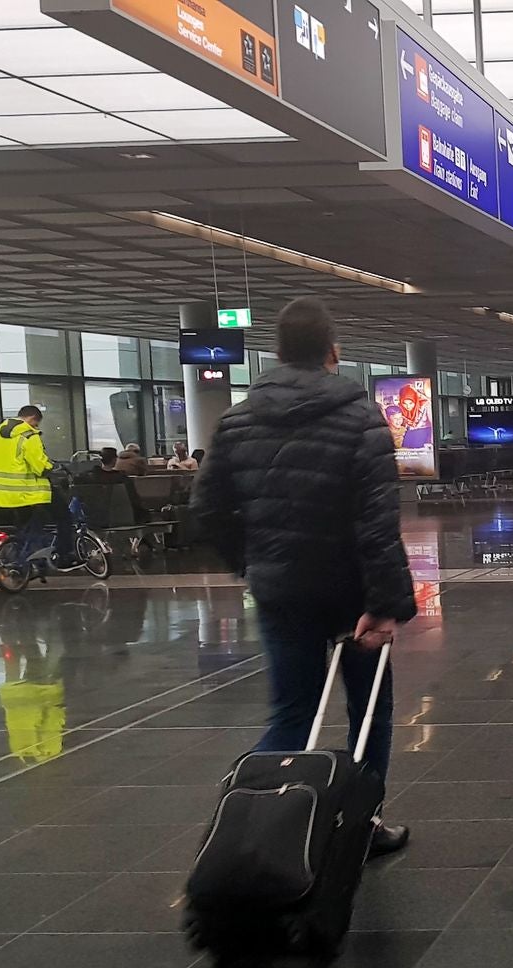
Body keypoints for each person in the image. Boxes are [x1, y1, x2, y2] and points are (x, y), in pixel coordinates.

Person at [194, 296, 416, 858]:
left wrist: (252, 562)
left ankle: (257, 827)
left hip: (281, 591)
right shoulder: (361, 418)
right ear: (332, 353)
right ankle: (361, 825)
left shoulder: (237, 418)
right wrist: (386, 601)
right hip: (352, 592)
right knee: (369, 712)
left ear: (277, 353)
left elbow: (207, 509)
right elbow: (376, 520)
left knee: (291, 710)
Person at [0, 403, 75, 566]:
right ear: (33, 418)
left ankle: (26, 558)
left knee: (26, 527)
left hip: (2, 494)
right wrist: (53, 466)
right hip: (29, 492)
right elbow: (39, 466)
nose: (35, 427)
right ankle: (65, 556)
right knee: (64, 516)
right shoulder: (29, 436)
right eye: (36, 423)